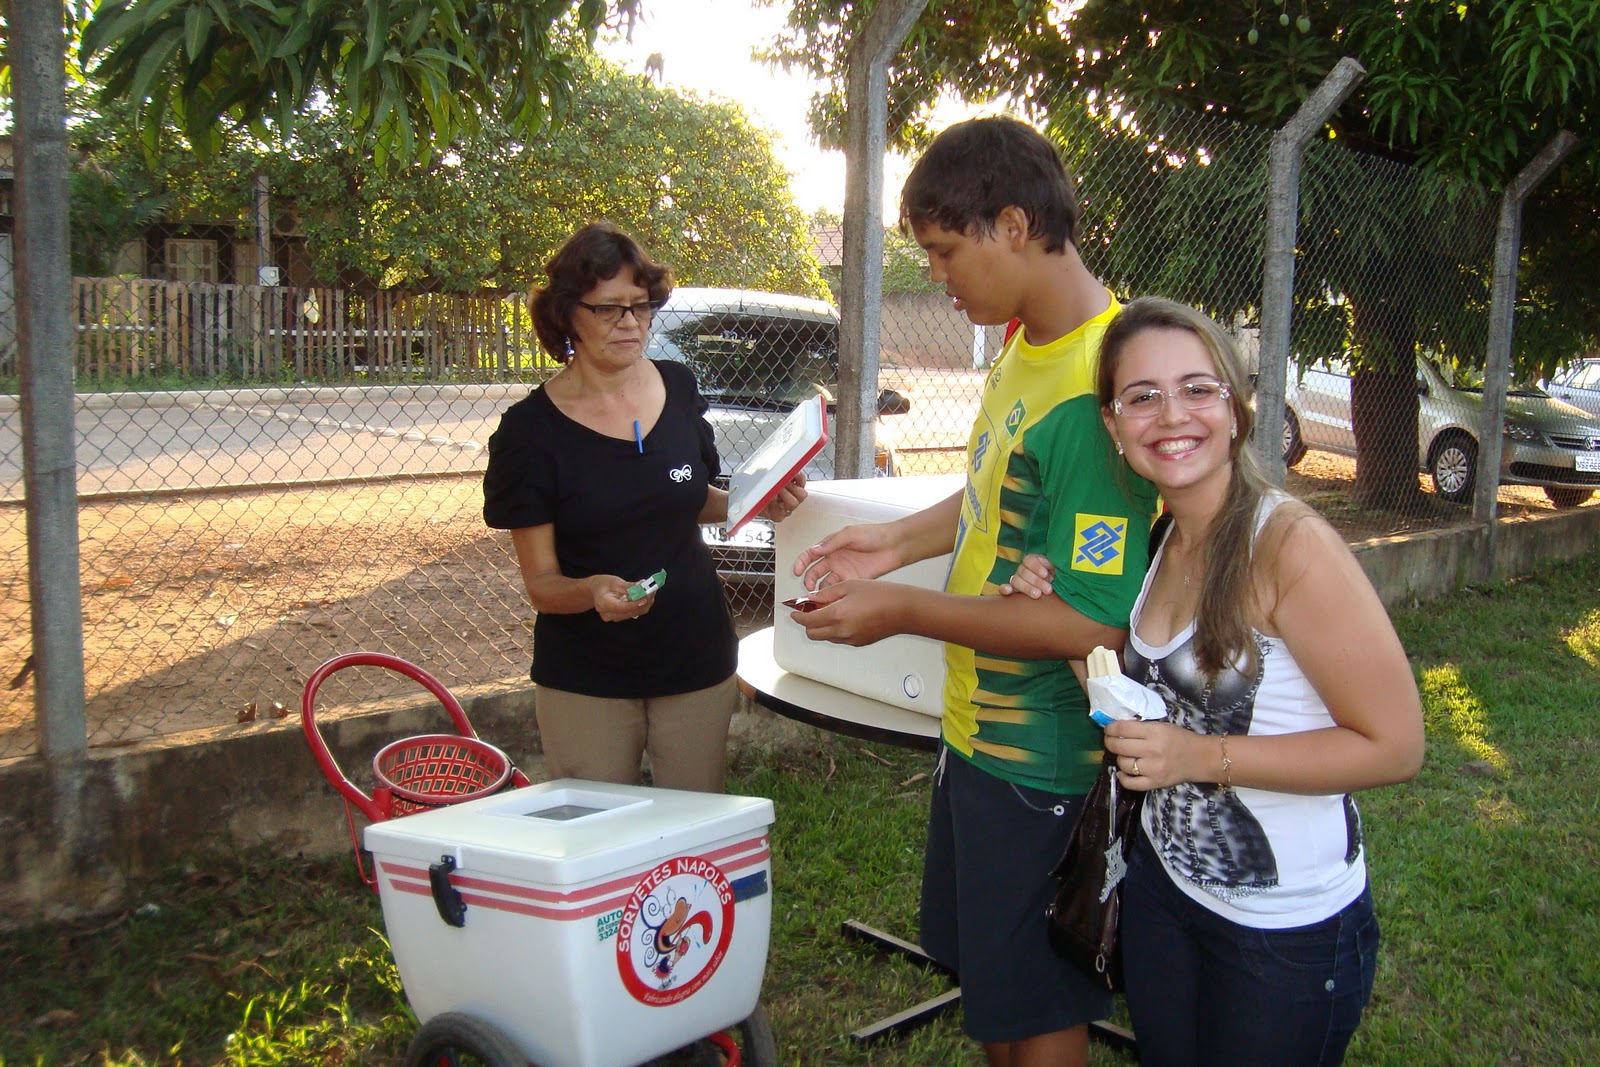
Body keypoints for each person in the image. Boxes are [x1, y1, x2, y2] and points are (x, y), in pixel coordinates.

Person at [790, 117, 1160, 1067]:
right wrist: (896, 543)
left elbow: (1090, 619)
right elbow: (998, 488)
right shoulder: (1026, 345)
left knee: (1035, 1004)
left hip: (1039, 756)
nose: (939, 276)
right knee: (998, 998)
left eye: (946, 252)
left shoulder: (1096, 383)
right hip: (978, 730)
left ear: (1012, 224)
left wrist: (903, 609)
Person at [1006, 297, 1426, 1065]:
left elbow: (1396, 745)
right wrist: (1056, 615)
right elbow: (1143, 709)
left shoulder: (1290, 546)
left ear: (1235, 410)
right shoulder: (1161, 535)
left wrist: (1197, 759)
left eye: (1197, 389)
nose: (1172, 414)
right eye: (1142, 396)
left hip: (1283, 930)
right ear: (1114, 424)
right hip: (1166, 892)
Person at [482, 222, 805, 793]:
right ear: (566, 316)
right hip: (588, 673)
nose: (630, 323)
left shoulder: (678, 388)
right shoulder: (530, 435)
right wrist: (590, 591)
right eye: (609, 309)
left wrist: (755, 504)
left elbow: (692, 499)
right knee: (602, 840)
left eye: (642, 306)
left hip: (696, 653)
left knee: (693, 828)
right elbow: (543, 584)